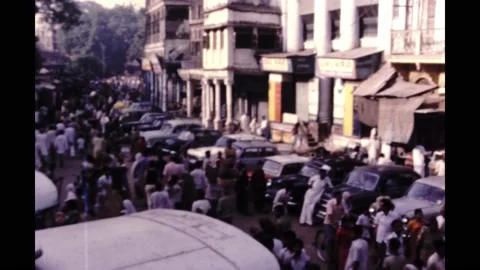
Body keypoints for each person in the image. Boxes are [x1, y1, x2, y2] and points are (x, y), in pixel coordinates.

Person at [324, 190, 347, 270]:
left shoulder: (343, 203)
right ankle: (329, 258)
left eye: (341, 196)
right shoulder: (330, 203)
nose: (340, 198)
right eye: (339, 196)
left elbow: (346, 213)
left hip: (337, 223)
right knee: (331, 238)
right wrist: (334, 225)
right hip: (329, 223)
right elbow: (330, 216)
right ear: (336, 196)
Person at [374, 198, 399, 269]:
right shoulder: (379, 215)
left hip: (388, 240)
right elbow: (376, 227)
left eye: (382, 206)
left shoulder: (394, 215)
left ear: (387, 206)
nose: (381, 207)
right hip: (379, 239)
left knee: (387, 257)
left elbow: (397, 227)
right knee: (380, 257)